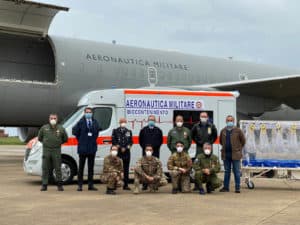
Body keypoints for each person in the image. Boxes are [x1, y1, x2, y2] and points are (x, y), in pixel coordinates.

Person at [72, 107, 101, 191]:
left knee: (91, 168)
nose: (88, 113)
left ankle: (90, 185)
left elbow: (97, 133)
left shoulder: (95, 122)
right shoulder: (80, 122)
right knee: (81, 167)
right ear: (84, 113)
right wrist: (82, 140)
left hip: (92, 148)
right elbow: (75, 132)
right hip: (83, 148)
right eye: (87, 112)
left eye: (90, 112)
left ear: (92, 113)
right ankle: (80, 185)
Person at [38, 113, 68, 191]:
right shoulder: (44, 128)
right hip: (46, 150)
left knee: (58, 167)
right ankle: (44, 185)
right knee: (45, 168)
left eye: (54, 118)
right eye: (51, 118)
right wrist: (46, 143)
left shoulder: (61, 128)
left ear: (57, 119)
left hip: (56, 150)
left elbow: (65, 139)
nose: (53, 120)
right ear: (49, 119)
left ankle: (59, 185)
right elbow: (40, 138)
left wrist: (58, 143)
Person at [219, 115, 246, 193]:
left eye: (231, 120)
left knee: (236, 171)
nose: (229, 122)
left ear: (233, 121)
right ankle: (226, 187)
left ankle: (237, 188)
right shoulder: (223, 131)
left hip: (236, 155)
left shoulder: (238, 130)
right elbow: (221, 141)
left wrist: (239, 149)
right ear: (226, 121)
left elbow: (243, 141)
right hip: (226, 155)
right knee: (227, 171)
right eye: (228, 120)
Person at [111, 118, 133, 190]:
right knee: (116, 168)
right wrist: (120, 147)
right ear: (119, 123)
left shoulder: (128, 131)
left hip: (126, 153)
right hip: (118, 152)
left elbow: (130, 142)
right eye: (122, 122)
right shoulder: (115, 131)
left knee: (126, 169)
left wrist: (126, 148)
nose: (123, 123)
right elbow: (114, 141)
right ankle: (115, 184)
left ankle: (126, 185)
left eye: (124, 122)